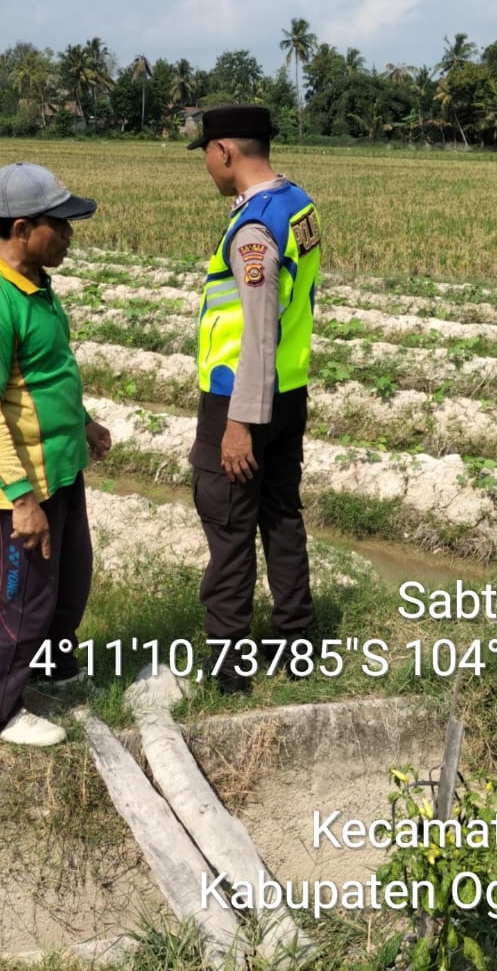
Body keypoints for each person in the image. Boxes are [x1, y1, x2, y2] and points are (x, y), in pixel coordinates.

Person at [0, 162, 112, 745]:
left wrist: (85, 423)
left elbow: (46, 374)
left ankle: (54, 671)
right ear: (22, 229)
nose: (71, 234)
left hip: (63, 467)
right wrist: (20, 498)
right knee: (16, 598)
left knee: (69, 582)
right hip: (25, 482)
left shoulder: (39, 286)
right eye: (60, 224)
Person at [187, 105, 321, 695]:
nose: (210, 170)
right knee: (281, 518)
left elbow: (259, 324)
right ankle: (298, 644)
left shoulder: (254, 227)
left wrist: (238, 422)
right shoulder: (298, 202)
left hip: (241, 400)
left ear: (225, 152)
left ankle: (230, 671)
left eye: (208, 158)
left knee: (230, 528)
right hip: (288, 392)